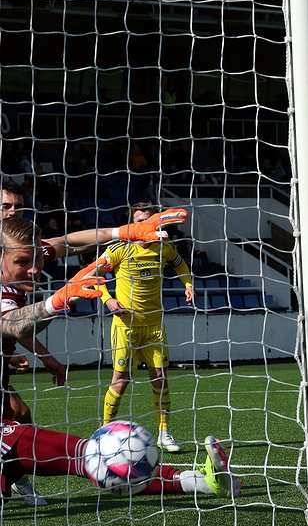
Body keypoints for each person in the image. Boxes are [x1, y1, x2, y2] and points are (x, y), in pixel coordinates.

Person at [0, 206, 186, 505]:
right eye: (23, 262)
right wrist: (56, 301)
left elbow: (71, 242)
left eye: (38, 258)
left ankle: (13, 478)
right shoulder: (4, 292)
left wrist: (126, 232)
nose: (35, 268)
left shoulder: (28, 254)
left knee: (18, 418)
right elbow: (13, 324)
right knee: (42, 441)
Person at [98, 202, 197, 454]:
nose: (144, 225)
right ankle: (104, 434)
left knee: (160, 379)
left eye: (149, 220)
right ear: (132, 225)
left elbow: (181, 265)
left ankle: (164, 433)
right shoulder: (119, 249)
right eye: (139, 221)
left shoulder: (164, 248)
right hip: (125, 327)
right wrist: (107, 298)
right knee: (120, 382)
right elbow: (93, 275)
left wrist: (188, 284)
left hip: (154, 326)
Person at [1, 423, 239, 503]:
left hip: (8, 434)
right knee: (92, 457)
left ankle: (204, 481)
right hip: (6, 441)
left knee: (91, 456)